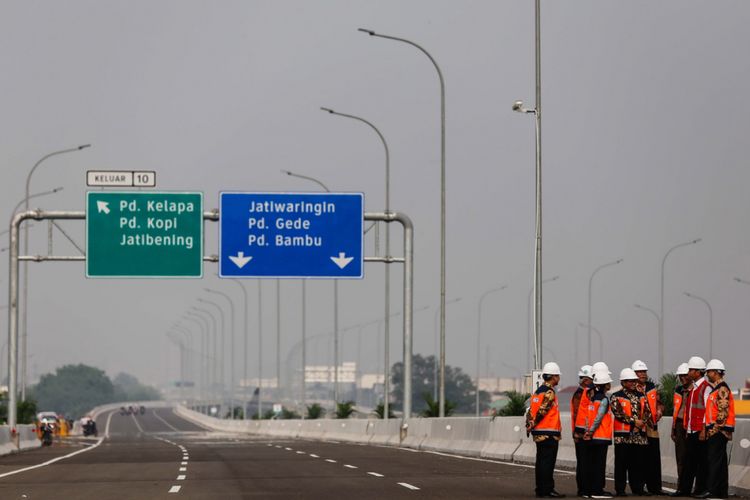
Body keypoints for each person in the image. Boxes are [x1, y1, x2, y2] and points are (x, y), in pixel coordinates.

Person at [526, 361, 565, 498]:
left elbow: (530, 411)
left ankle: (540, 489)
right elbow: (542, 411)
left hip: (538, 432)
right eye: (558, 376)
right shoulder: (549, 392)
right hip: (549, 433)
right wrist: (534, 422)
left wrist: (530, 425)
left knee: (541, 462)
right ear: (553, 376)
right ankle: (547, 489)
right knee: (548, 463)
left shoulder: (537, 392)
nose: (559, 378)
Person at [696, 359, 735, 499]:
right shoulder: (716, 389)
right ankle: (721, 491)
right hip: (718, 429)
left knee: (713, 460)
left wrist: (713, 429)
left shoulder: (722, 389)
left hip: (718, 430)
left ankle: (712, 489)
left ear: (716, 373)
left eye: (709, 372)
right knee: (720, 462)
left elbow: (723, 411)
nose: (707, 374)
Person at [610, 368, 650, 496]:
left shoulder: (641, 396)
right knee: (621, 465)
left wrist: (641, 423)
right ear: (623, 382)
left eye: (634, 380)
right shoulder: (616, 396)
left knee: (638, 464)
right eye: (630, 381)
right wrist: (634, 422)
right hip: (623, 437)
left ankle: (638, 488)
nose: (633, 383)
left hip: (639, 436)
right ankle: (620, 490)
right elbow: (618, 413)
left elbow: (648, 412)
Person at [674, 356, 709, 497]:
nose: (688, 373)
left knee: (700, 463)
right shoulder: (694, 388)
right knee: (689, 462)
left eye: (691, 370)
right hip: (691, 429)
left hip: (699, 430)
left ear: (698, 372)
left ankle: (700, 489)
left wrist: (703, 429)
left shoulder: (705, 388)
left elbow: (708, 410)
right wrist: (688, 428)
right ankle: (684, 489)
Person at [632, 360, 665, 495]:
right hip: (639, 430)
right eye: (639, 372)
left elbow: (660, 403)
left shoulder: (651, 387)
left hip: (652, 429)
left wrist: (660, 410)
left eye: (644, 372)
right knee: (639, 460)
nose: (643, 374)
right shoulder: (631, 389)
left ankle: (655, 488)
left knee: (654, 460)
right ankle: (639, 488)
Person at [582, 371, 614, 499]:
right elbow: (599, 417)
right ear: (605, 385)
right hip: (600, 436)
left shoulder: (592, 399)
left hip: (592, 437)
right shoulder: (604, 399)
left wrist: (587, 431)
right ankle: (597, 490)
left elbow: (588, 418)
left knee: (591, 464)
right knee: (599, 465)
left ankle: (589, 490)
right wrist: (591, 431)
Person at [572, 365, 594, 497]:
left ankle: (586, 488)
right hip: (581, 434)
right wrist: (578, 432)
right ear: (586, 380)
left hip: (583, 432)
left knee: (585, 462)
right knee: (584, 462)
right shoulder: (580, 395)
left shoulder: (583, 394)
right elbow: (578, 415)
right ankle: (584, 489)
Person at [671, 362, 692, 487]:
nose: (682, 378)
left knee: (692, 457)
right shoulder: (678, 390)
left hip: (691, 425)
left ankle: (691, 485)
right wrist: (673, 429)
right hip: (679, 425)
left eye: (685, 375)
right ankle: (682, 485)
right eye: (680, 376)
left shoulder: (696, 390)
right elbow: (675, 410)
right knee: (680, 456)